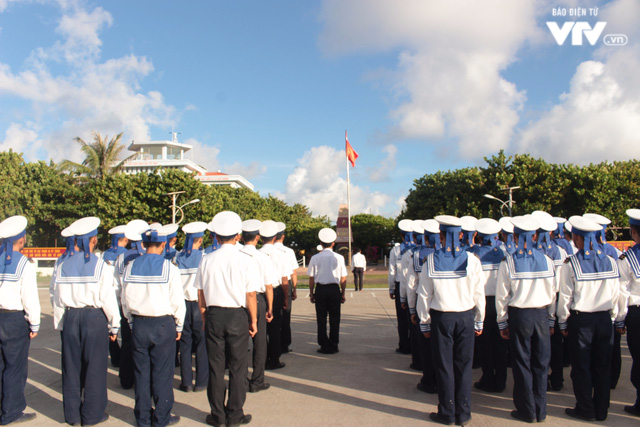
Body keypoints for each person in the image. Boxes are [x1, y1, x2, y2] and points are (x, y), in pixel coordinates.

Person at [51, 217, 120, 426]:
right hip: (94, 317)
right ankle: (92, 414)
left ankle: (72, 415)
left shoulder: (61, 264)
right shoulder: (100, 265)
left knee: (71, 368)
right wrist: (114, 324)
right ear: (92, 240)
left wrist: (61, 324)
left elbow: (55, 297)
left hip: (70, 316)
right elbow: (107, 298)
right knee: (95, 368)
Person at [416, 215, 484, 427]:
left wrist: (424, 322)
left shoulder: (432, 261)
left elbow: (424, 295)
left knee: (444, 367)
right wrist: (479, 320)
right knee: (464, 367)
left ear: (441, 237)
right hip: (465, 317)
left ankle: (447, 412)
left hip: (442, 318)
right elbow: (478, 294)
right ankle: (463, 413)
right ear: (462, 235)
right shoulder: (473, 260)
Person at [195, 211, 259, 427]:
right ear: (238, 236)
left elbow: (200, 293)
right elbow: (251, 295)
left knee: (215, 366)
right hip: (237, 315)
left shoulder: (206, 259)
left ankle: (218, 415)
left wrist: (204, 316)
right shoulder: (245, 260)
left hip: (213, 314)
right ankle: (235, 414)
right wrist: (253, 321)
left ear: (216, 236)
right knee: (238, 366)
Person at [557, 215, 623, 422]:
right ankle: (601, 409)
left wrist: (562, 321)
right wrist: (614, 317)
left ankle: (585, 408)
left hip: (582, 320)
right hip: (604, 319)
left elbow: (565, 297)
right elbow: (616, 294)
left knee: (581, 367)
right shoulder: (611, 262)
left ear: (577, 238)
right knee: (602, 365)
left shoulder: (571, 264)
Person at [121, 225, 184, 427]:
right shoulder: (170, 269)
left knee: (141, 373)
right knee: (162, 374)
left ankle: (143, 417)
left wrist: (131, 321)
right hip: (163, 324)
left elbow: (125, 300)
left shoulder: (130, 266)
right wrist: (179, 326)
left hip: (139, 324)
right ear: (164, 244)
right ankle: (162, 417)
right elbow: (177, 302)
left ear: (143, 244)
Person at [495, 215, 556, 423]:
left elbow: (502, 297)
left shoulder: (508, 263)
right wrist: (551, 319)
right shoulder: (547, 261)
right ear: (536, 236)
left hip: (520, 316)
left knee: (522, 364)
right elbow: (553, 294)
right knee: (541, 364)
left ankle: (526, 409)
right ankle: (541, 410)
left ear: (516, 237)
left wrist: (502, 321)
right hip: (541, 314)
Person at [0, 215, 40, 425]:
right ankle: (12, 411)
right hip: (14, 320)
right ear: (22, 239)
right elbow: (29, 297)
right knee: (15, 368)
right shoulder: (24, 263)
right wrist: (34, 323)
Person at [469, 218, 508, 394]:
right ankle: (500, 381)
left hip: (482, 303)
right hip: (501, 303)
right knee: (501, 344)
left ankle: (487, 378)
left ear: (479, 235)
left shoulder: (475, 255)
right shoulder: (504, 253)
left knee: (485, 344)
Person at [532, 211, 568, 392]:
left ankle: (543, 379)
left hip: (538, 302)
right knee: (555, 344)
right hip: (554, 299)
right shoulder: (559, 251)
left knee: (537, 346)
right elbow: (558, 283)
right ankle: (557, 379)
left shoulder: (530, 250)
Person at [113, 219, 148, 390]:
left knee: (127, 342)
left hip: (125, 305)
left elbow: (116, 285)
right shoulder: (146, 257)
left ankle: (126, 379)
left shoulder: (121, 258)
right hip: (144, 306)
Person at [406, 219, 440, 394]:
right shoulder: (457, 255)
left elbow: (412, 284)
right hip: (445, 305)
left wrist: (412, 309)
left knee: (426, 345)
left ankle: (429, 381)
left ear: (425, 238)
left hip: (424, 302)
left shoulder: (417, 255)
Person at [241, 220, 276, 393]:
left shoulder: (237, 255)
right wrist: (270, 307)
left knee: (239, 343)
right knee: (260, 342)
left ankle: (239, 379)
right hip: (258, 300)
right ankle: (257, 380)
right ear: (257, 238)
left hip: (239, 301)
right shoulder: (262, 258)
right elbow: (269, 286)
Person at [175, 222, 209, 393]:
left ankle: (186, 382)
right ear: (200, 240)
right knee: (202, 344)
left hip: (182, 304)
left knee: (185, 345)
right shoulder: (204, 257)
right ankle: (201, 381)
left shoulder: (178, 257)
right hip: (198, 304)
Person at [308, 228, 347, 354]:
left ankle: (324, 344)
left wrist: (312, 293)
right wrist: (343, 293)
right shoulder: (339, 258)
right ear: (333, 243)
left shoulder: (315, 258)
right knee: (335, 318)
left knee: (321, 318)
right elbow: (343, 278)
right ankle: (334, 344)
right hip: (334, 289)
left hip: (321, 289)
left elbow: (311, 277)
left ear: (321, 242)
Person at [259, 220, 291, 370]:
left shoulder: (257, 254)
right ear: (274, 237)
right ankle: (274, 359)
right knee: (275, 328)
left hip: (259, 293)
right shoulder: (281, 254)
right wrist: (286, 297)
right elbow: (285, 279)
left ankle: (262, 359)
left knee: (261, 328)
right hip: (276, 291)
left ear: (260, 237)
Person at [618, 208, 640, 417]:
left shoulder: (628, 258)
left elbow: (623, 292)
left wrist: (620, 319)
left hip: (637, 313)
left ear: (633, 232)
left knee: (638, 359)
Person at [102, 224, 128, 368]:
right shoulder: (126, 253)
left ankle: (115, 357)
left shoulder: (104, 254)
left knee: (111, 329)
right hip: (121, 296)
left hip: (108, 294)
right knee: (125, 331)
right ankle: (124, 357)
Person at [389, 219, 412, 355]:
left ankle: (404, 345)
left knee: (402, 318)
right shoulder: (417, 250)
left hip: (400, 285)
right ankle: (415, 344)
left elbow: (392, 271)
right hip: (416, 286)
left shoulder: (396, 251)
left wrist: (391, 288)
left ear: (402, 236)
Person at [274, 223, 297, 354]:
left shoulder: (263, 252)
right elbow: (293, 272)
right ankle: (284, 345)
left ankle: (272, 344)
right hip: (285, 285)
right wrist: (294, 289)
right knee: (285, 317)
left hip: (269, 287)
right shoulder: (288, 251)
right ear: (282, 237)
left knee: (272, 318)